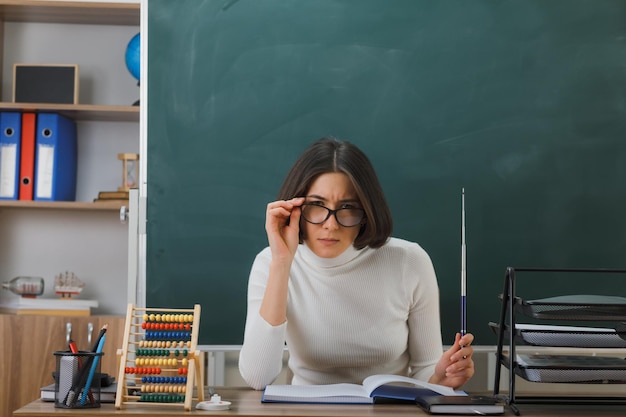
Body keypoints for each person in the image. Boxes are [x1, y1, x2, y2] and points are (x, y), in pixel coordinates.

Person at [239, 137, 474, 390]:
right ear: (295, 208)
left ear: (366, 213)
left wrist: (440, 377)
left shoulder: (409, 261)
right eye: (317, 206)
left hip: (389, 409)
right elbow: (257, 378)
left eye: (348, 207)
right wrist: (282, 264)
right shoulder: (270, 263)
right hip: (305, 409)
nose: (331, 224)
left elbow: (425, 368)